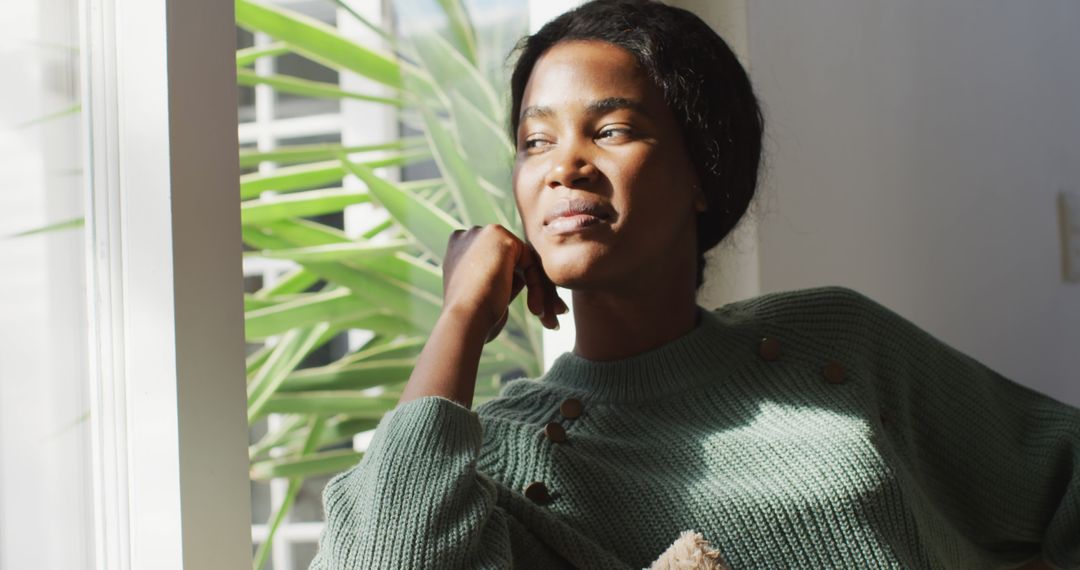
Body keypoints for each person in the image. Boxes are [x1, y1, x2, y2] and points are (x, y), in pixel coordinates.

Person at [309, 1, 1080, 568]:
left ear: (701, 174)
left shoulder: (834, 344)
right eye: (535, 141)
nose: (563, 166)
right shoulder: (506, 457)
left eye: (610, 130)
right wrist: (461, 316)